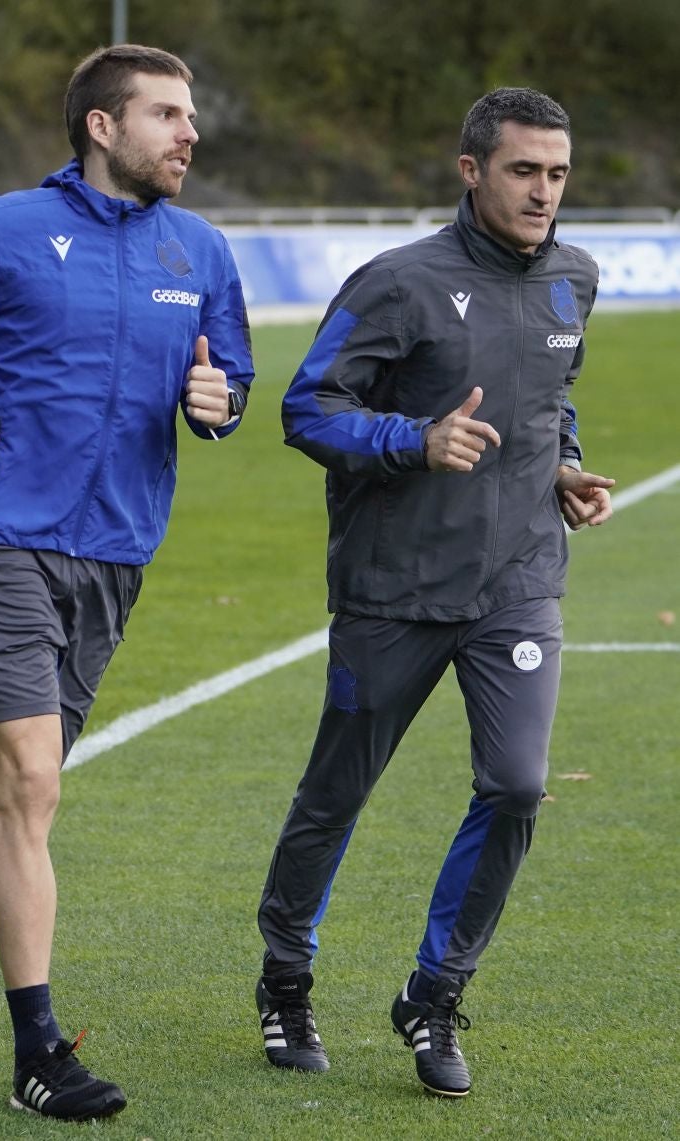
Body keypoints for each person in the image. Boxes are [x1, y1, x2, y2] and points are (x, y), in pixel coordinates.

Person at [0, 43, 253, 1123]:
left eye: (190, 115)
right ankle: (38, 1049)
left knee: (12, 788)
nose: (190, 133)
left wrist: (220, 403)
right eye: (167, 114)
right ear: (101, 126)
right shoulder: (2, 229)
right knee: (34, 781)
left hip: (117, 550)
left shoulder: (201, 248)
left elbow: (230, 380)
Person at [254, 87, 614, 1097]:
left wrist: (563, 465)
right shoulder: (399, 282)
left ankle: (435, 993)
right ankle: (286, 976)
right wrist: (414, 440)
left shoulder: (575, 280)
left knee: (518, 785)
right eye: (523, 170)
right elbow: (307, 406)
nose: (543, 192)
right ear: (471, 169)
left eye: (557, 173)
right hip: (395, 586)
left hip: (519, 584)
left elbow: (549, 401)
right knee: (336, 793)